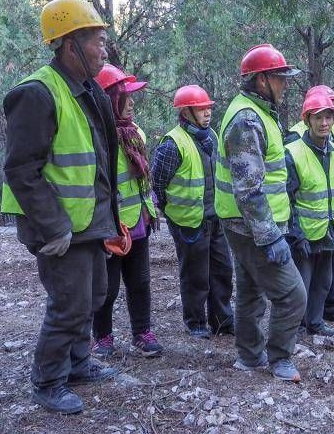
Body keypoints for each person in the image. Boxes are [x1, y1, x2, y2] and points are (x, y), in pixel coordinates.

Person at [1, 0, 120, 414]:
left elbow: (101, 162)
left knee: (95, 294)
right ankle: (48, 381)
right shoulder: (36, 94)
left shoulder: (90, 91)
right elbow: (20, 170)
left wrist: (111, 221)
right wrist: (54, 227)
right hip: (58, 225)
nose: (104, 50)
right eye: (97, 41)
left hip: (89, 220)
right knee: (69, 303)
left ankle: (78, 363)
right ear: (70, 44)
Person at [215, 43, 307, 382]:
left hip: (249, 224)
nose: (285, 83)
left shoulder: (259, 113)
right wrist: (270, 237)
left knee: (251, 290)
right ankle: (280, 358)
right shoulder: (246, 120)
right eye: (280, 77)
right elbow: (248, 189)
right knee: (293, 294)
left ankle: (249, 357)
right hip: (249, 226)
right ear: (262, 81)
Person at [90, 64, 163, 358]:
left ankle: (142, 332)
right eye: (125, 97)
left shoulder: (136, 134)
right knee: (106, 287)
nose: (131, 103)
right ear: (109, 100)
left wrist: (150, 210)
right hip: (110, 227)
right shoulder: (97, 139)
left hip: (139, 223)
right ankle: (103, 337)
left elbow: (143, 180)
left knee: (140, 281)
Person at [152, 85, 234, 339]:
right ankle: (196, 322)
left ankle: (222, 321)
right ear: (185, 112)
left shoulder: (213, 137)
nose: (207, 112)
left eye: (208, 107)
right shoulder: (172, 144)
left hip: (215, 218)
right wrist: (171, 211)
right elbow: (158, 184)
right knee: (195, 275)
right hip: (188, 222)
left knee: (222, 271)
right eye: (201, 108)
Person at [286, 85, 334, 324]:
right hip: (304, 233)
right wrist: (296, 235)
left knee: (324, 282)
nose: (324, 122)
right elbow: (287, 198)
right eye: (318, 117)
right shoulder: (293, 150)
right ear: (308, 119)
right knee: (299, 287)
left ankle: (315, 325)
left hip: (329, 230)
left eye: (328, 116)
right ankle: (292, 331)